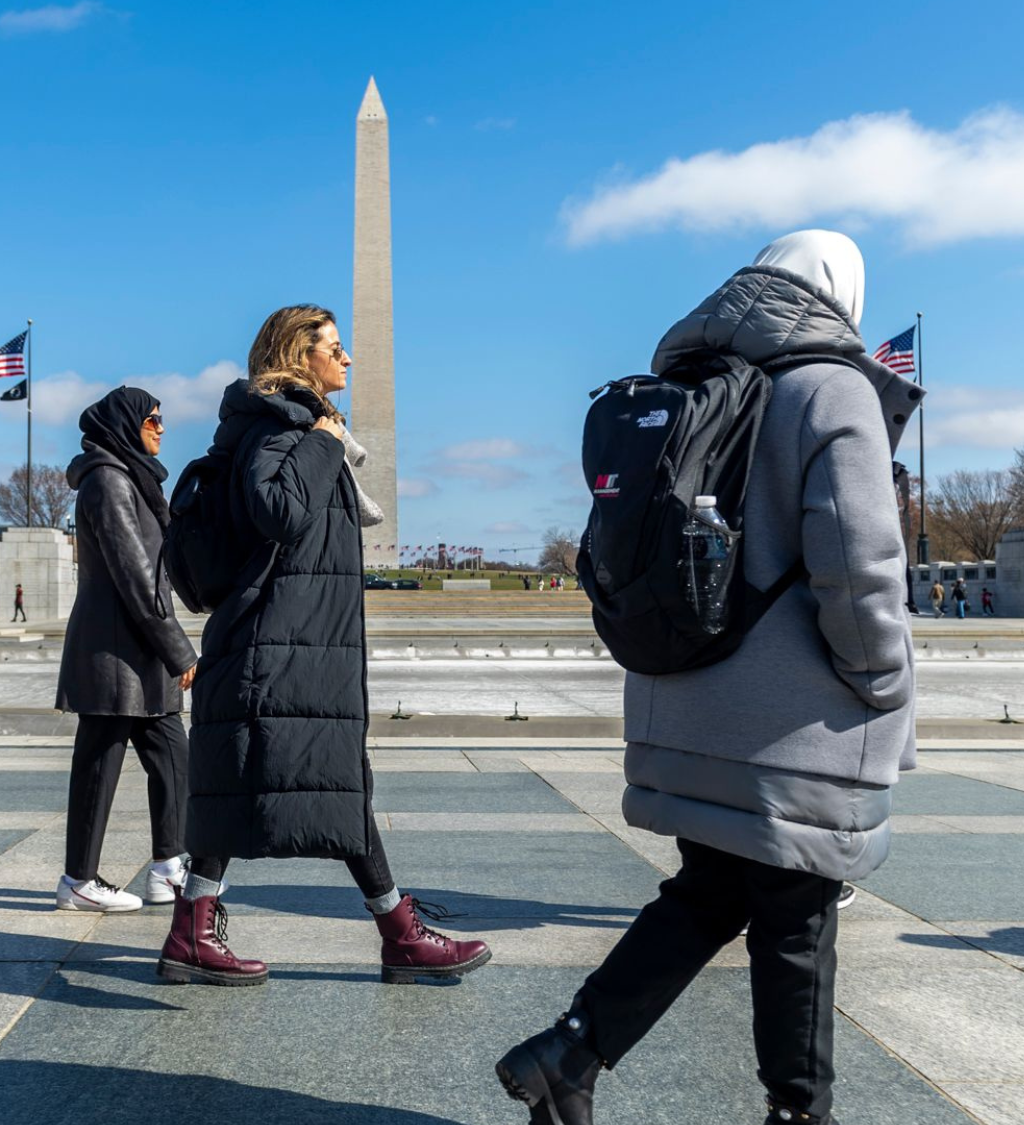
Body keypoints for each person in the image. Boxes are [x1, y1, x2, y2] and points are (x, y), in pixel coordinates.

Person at [498, 231, 920, 1125]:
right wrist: (882, 680)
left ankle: (569, 1051)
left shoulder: (684, 388)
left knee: (715, 891)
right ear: (843, 295)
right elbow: (860, 564)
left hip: (684, 696)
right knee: (797, 912)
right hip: (793, 719)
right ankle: (800, 1114)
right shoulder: (832, 388)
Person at [161, 304, 490, 988]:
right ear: (296, 354)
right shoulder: (284, 426)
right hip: (279, 644)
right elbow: (276, 507)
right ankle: (400, 932)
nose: (348, 359)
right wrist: (326, 439)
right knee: (326, 785)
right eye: (334, 347)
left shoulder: (281, 423)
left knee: (296, 786)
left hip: (292, 639)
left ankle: (195, 928)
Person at [54, 387, 200, 912]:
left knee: (173, 759)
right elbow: (135, 576)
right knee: (99, 764)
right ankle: (78, 881)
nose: (162, 428)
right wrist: (179, 650)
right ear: (127, 423)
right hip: (113, 651)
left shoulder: (132, 478)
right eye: (153, 419)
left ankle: (167, 868)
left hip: (139, 649)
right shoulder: (107, 480)